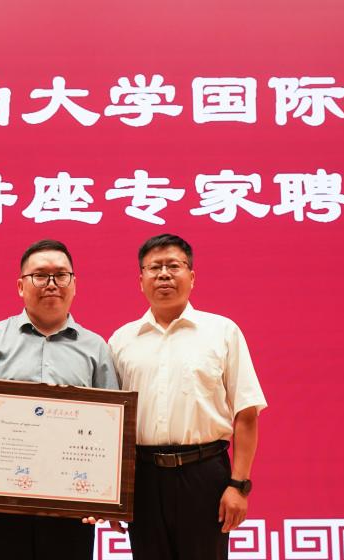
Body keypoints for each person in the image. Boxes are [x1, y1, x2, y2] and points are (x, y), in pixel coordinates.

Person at [0, 239, 119, 560]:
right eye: (40, 275)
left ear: (74, 284)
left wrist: (107, 493)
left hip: (70, 504)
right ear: (20, 286)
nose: (51, 283)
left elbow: (110, 425)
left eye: (61, 275)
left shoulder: (96, 348)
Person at [107, 233, 267, 560]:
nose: (164, 275)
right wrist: (111, 493)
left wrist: (239, 485)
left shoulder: (222, 332)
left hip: (205, 474)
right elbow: (111, 423)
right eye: (154, 268)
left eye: (173, 266)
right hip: (143, 479)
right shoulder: (121, 341)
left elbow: (247, 413)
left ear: (191, 277)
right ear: (141, 280)